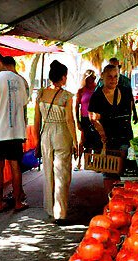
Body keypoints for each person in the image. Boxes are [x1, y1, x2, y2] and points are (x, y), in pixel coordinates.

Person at [0, 52, 30, 212]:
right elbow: (23, 104)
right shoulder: (20, 80)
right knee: (15, 165)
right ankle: (17, 202)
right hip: (15, 131)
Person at [34, 61, 79, 220]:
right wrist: (75, 141)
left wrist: (37, 140)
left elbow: (36, 120)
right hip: (62, 134)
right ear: (63, 77)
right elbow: (69, 120)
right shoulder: (67, 96)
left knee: (49, 172)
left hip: (46, 134)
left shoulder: (40, 94)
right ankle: (60, 212)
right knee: (62, 173)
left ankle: (50, 209)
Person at [88, 64, 134, 154]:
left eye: (116, 76)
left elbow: (129, 112)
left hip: (124, 138)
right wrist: (103, 137)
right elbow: (93, 119)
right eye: (109, 76)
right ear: (102, 76)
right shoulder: (97, 96)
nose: (113, 79)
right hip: (105, 142)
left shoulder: (126, 91)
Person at [76, 70, 101, 169]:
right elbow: (76, 106)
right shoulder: (81, 91)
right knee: (84, 141)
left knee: (97, 140)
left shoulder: (98, 89)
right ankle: (82, 162)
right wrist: (77, 121)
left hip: (95, 118)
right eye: (88, 79)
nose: (90, 81)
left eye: (92, 78)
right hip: (85, 118)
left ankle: (96, 163)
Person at [107, 57, 138, 124]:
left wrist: (134, 113)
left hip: (124, 115)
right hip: (108, 116)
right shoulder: (102, 81)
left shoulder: (126, 81)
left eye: (116, 67)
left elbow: (131, 98)